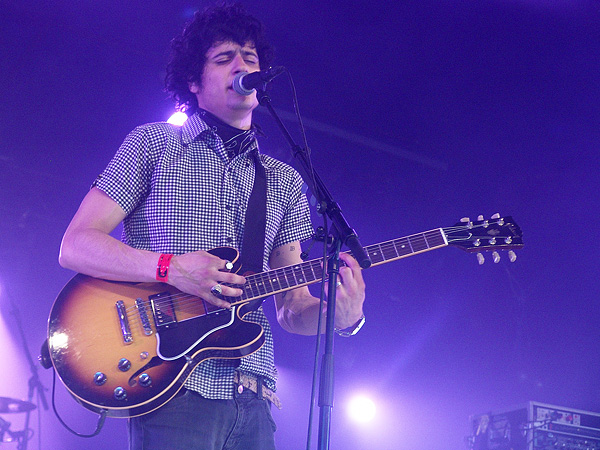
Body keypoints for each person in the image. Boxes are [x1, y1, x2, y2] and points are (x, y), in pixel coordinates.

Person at [58, 4, 366, 450]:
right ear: (193, 81)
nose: (242, 66)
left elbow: (292, 308)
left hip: (255, 398)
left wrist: (341, 318)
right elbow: (75, 244)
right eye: (224, 58)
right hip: (174, 387)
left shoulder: (282, 179)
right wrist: (171, 268)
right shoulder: (154, 144)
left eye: (250, 58)